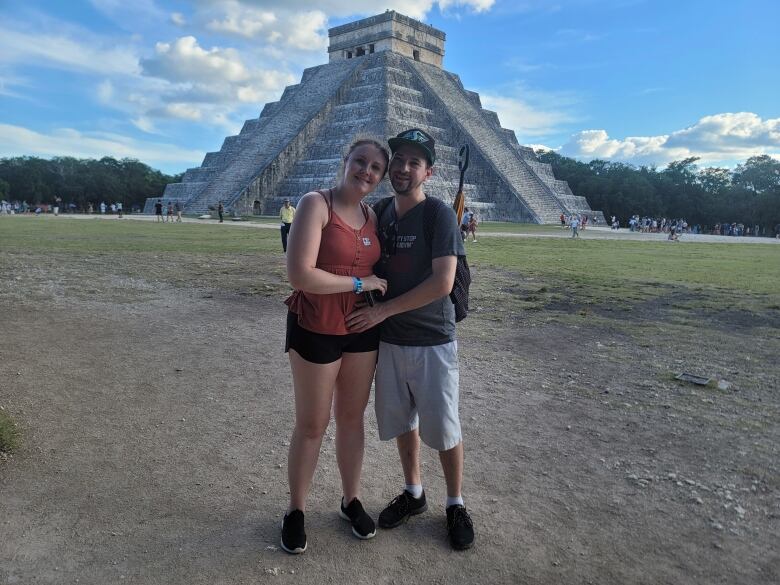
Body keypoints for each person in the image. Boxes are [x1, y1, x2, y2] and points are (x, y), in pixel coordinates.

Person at [346, 128, 475, 551]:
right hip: (392, 341)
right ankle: (414, 492)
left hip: (432, 338)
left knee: (443, 425)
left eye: (413, 163)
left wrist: (381, 310)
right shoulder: (380, 211)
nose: (402, 168)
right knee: (405, 421)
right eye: (397, 160)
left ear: (428, 172)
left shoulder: (438, 214)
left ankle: (455, 502)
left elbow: (443, 282)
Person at [280, 138, 390, 554]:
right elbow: (301, 275)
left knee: (351, 418)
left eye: (376, 167)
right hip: (317, 324)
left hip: (361, 327)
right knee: (312, 424)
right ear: (345, 161)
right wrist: (361, 283)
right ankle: (295, 509)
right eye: (360, 161)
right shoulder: (315, 204)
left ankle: (350, 499)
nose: (367, 171)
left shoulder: (373, 215)